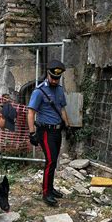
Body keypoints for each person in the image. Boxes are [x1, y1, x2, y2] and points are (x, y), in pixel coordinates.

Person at [27, 59, 70, 206]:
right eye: (53, 77)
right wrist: (32, 133)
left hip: (57, 131)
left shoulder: (59, 89)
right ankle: (46, 193)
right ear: (48, 74)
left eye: (57, 78)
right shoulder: (39, 91)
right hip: (44, 131)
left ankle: (51, 188)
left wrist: (68, 125)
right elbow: (31, 112)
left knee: (54, 161)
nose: (55, 80)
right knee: (50, 161)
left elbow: (62, 109)